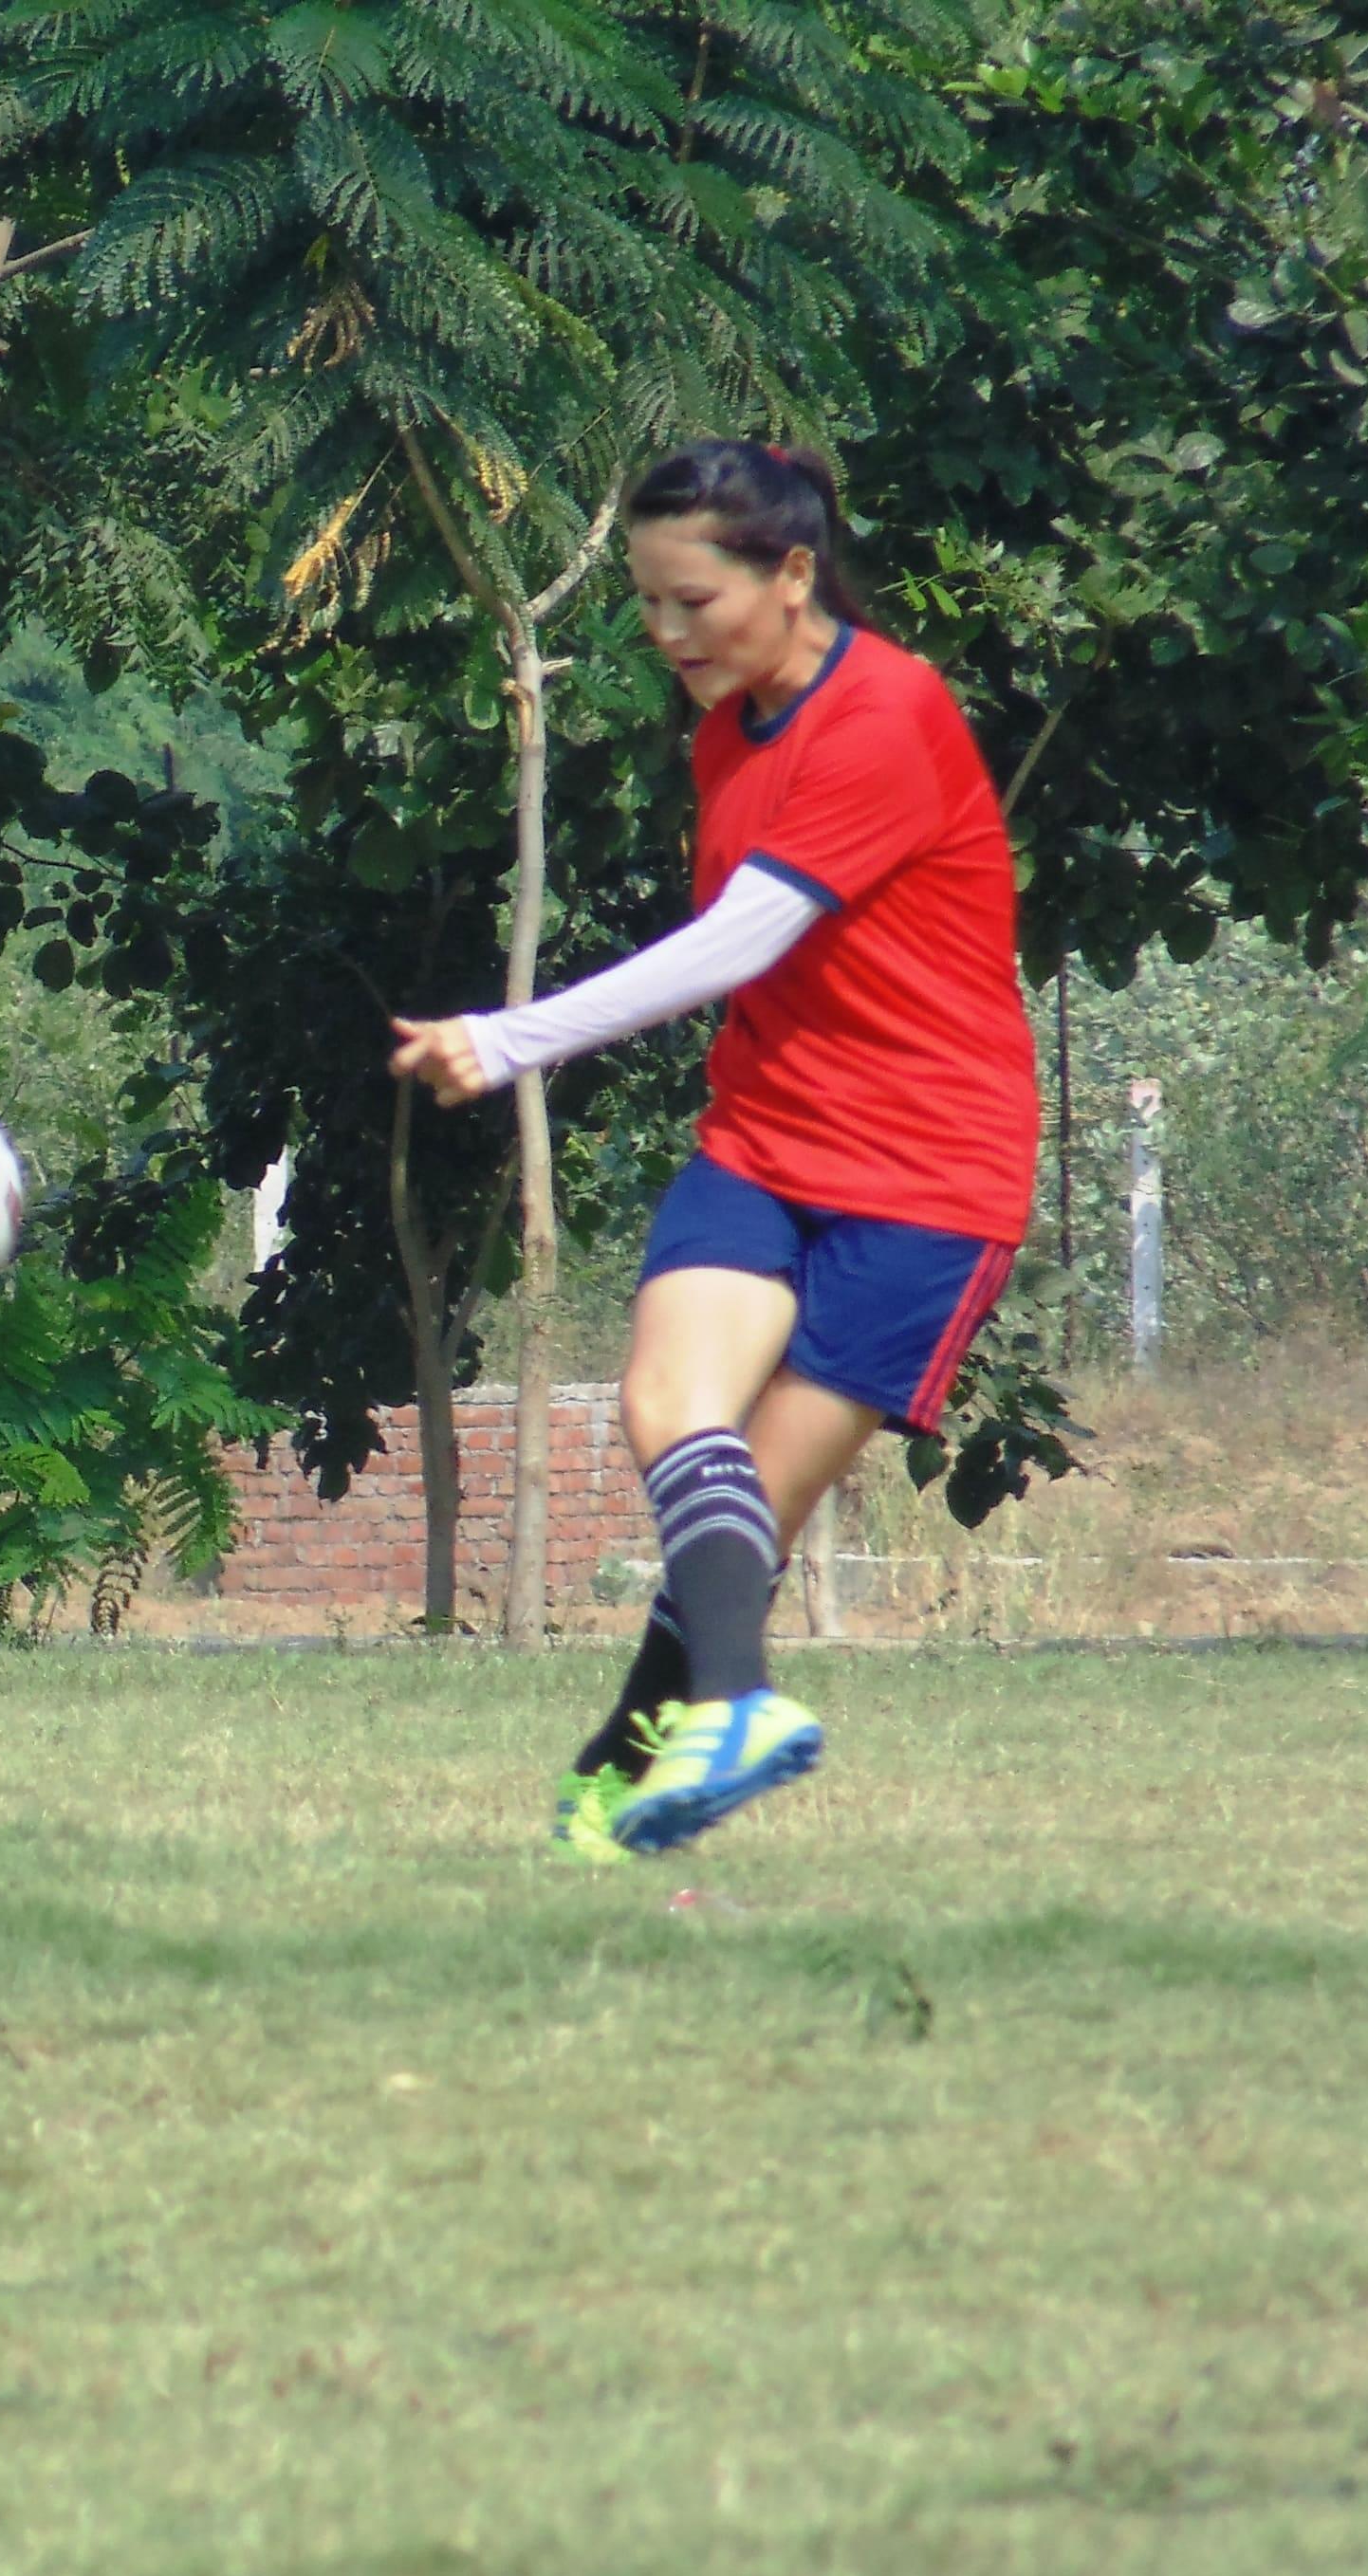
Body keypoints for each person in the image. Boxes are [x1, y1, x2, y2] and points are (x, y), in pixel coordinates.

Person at [389, 438, 1038, 1863]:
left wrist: (509, 1041)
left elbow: (742, 940)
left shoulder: (887, 712)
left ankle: (627, 1770)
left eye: (695, 601)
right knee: (673, 1415)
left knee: (758, 1498)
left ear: (793, 574)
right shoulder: (724, 725)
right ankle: (720, 1718)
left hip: (927, 1178)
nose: (667, 633)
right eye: (648, 602)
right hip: (764, 1137)